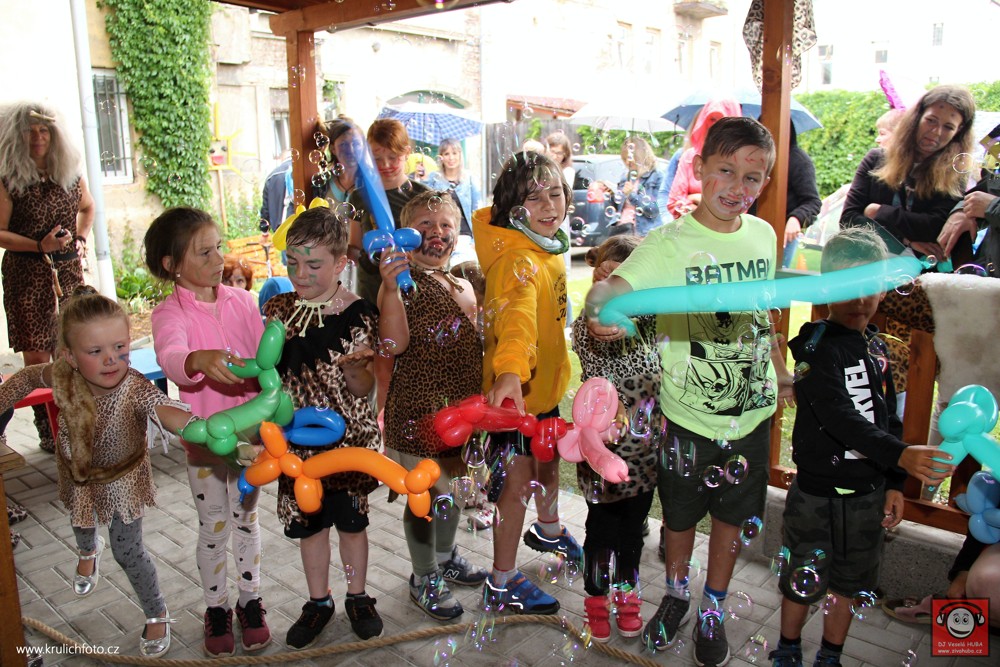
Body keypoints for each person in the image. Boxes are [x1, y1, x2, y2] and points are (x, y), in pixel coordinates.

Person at [585, 117, 793, 665]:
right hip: (689, 419)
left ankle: (712, 607)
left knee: (730, 519)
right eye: (726, 170)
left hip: (751, 417)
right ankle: (677, 595)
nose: (738, 187)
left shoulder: (762, 236)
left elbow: (761, 315)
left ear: (766, 181)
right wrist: (601, 310)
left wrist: (779, 369)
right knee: (679, 519)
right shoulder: (669, 244)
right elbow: (611, 289)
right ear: (699, 168)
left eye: (753, 177)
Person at [768, 226, 956, 667]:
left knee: (849, 583)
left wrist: (894, 481)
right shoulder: (814, 347)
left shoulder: (876, 347)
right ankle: (788, 648)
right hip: (815, 494)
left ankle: (830, 656)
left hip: (867, 496)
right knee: (801, 577)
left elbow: (887, 418)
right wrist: (901, 456)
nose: (860, 298)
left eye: (870, 285)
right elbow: (838, 416)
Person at [0, 287, 193, 658]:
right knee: (80, 520)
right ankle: (88, 550)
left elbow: (164, 408)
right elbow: (24, 379)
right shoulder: (62, 375)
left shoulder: (134, 387)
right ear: (70, 357)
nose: (111, 359)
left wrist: (197, 426)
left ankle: (156, 611)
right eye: (96, 351)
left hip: (123, 480)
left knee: (128, 552)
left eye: (120, 347)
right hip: (77, 473)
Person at [145, 208, 271, 657]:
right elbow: (171, 356)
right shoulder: (168, 314)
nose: (219, 258)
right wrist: (196, 360)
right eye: (204, 252)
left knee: (246, 520)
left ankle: (250, 600)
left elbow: (265, 360)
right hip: (204, 447)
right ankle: (216, 608)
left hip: (250, 440)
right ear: (172, 264)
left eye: (218, 247)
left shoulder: (243, 302)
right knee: (214, 528)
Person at [262, 206, 383, 647]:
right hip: (296, 448)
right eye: (292, 262)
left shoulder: (360, 314)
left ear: (340, 263)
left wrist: (356, 369)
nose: (301, 274)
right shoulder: (278, 309)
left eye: (313, 264)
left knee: (351, 524)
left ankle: (358, 596)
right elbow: (267, 373)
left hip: (348, 443)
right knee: (310, 529)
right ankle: (318, 601)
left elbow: (364, 388)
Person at [473, 151, 580, 615]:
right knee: (515, 488)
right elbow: (517, 321)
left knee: (546, 460)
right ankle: (502, 581)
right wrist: (511, 374)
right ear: (513, 211)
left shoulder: (545, 248)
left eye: (555, 193)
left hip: (542, 395)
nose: (549, 205)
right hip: (513, 400)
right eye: (533, 199)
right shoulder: (518, 260)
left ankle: (549, 529)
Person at [377, 190, 488, 621]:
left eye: (445, 224)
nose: (436, 232)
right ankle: (424, 575)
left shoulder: (461, 282)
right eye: (424, 224)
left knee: (454, 491)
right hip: (419, 413)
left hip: (460, 413)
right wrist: (390, 288)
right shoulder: (402, 285)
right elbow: (393, 343)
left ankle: (445, 556)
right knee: (424, 498)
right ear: (405, 235)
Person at [572, 234, 660, 642]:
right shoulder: (587, 327)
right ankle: (595, 600)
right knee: (601, 532)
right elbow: (598, 361)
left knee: (632, 533)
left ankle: (627, 598)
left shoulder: (652, 320)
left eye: (623, 281)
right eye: (606, 277)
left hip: (643, 451)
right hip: (602, 448)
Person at [0, 102, 94, 453]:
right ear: (16, 136)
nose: (38, 137)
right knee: (38, 356)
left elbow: (88, 207)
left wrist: (81, 237)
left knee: (73, 347)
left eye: (44, 130)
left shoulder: (69, 172)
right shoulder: (8, 180)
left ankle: (78, 422)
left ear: (55, 135)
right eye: (29, 130)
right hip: (27, 275)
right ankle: (49, 430)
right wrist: (38, 245)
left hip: (67, 271)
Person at [840, 85, 975, 256]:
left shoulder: (956, 173)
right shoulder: (875, 159)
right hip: (872, 266)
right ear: (917, 117)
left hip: (925, 270)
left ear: (959, 131)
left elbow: (936, 227)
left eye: (948, 127)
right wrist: (905, 241)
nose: (936, 132)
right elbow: (849, 220)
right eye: (931, 120)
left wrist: (878, 212)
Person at [348, 119, 431, 306]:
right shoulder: (358, 197)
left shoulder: (423, 196)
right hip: (371, 289)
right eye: (377, 158)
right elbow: (355, 246)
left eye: (393, 157)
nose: (385, 164)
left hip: (413, 289)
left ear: (407, 153)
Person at [748, 123, 821, 268]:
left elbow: (813, 202)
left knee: (776, 274)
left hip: (783, 236)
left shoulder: (799, 161)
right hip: (753, 230)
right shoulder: (754, 158)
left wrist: (796, 218)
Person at [937, 122, 1000, 272]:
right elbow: (988, 187)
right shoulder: (996, 139)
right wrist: (963, 211)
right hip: (989, 270)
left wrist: (992, 206)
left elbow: (989, 202)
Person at [666, 98, 742, 219]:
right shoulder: (690, 156)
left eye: (722, 120)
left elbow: (738, 207)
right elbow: (674, 202)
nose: (715, 125)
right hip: (689, 227)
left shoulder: (742, 161)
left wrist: (694, 198)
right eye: (712, 119)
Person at [423, 137, 481, 262]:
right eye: (446, 154)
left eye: (454, 153)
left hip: (465, 238)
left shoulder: (470, 179)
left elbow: (477, 212)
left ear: (460, 155)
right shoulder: (433, 178)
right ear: (441, 157)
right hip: (441, 236)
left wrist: (476, 242)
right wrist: (419, 177)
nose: (451, 158)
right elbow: (424, 205)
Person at [613, 136, 665, 237]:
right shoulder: (626, 177)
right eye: (624, 159)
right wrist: (609, 193)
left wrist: (631, 195)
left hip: (644, 234)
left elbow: (654, 210)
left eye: (629, 157)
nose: (627, 162)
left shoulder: (656, 177)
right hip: (622, 231)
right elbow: (618, 206)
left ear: (640, 156)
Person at [324, 117, 362, 204]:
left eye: (356, 143)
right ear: (333, 149)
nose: (351, 150)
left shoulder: (372, 182)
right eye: (344, 144)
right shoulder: (322, 185)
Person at [260, 151, 294, 232]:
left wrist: (264, 230)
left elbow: (265, 209)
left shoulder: (271, 176)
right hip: (300, 227)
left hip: (279, 229)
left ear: (282, 158)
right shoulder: (301, 171)